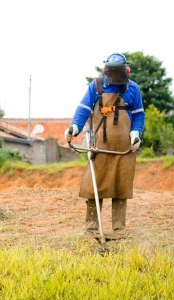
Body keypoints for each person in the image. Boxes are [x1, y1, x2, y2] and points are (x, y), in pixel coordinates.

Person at [64, 53, 145, 238]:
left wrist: (136, 133)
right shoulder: (97, 86)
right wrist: (74, 127)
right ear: (106, 70)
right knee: (94, 185)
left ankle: (118, 229)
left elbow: (139, 114)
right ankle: (92, 228)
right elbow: (83, 108)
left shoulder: (133, 89)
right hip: (99, 145)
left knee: (121, 187)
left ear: (126, 71)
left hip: (125, 148)